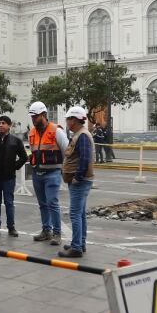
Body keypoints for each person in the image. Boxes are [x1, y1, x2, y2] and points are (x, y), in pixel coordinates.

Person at [27, 101, 67, 246]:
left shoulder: (56, 131)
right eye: (32, 117)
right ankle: (46, 230)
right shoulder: (31, 133)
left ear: (43, 115)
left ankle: (57, 233)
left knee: (52, 203)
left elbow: (67, 151)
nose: (33, 119)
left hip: (52, 173)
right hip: (37, 174)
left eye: (36, 116)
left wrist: (66, 171)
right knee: (42, 204)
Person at [60, 106, 94, 258]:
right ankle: (80, 242)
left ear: (74, 120)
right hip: (80, 180)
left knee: (75, 214)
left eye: (68, 119)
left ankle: (76, 247)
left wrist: (77, 178)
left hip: (80, 181)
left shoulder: (82, 136)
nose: (67, 122)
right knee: (80, 214)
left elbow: (85, 159)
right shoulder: (80, 134)